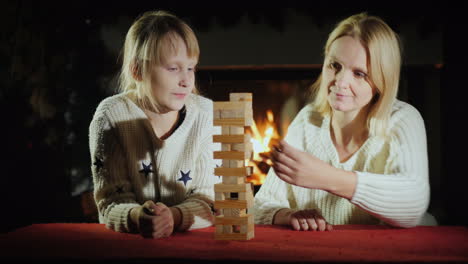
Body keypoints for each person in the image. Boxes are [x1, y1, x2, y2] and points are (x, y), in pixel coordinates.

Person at [254, 12, 435, 231]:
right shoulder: (307, 121)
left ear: (382, 80)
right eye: (335, 66)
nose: (340, 82)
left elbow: (413, 206)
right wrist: (287, 214)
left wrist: (327, 178)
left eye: (359, 74)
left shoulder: (403, 119)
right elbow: (260, 205)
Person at [89, 10, 220, 238]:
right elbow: (110, 202)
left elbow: (211, 200)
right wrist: (137, 217)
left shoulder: (206, 115)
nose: (186, 80)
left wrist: (173, 217)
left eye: (191, 68)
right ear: (137, 70)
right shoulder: (112, 117)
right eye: (173, 68)